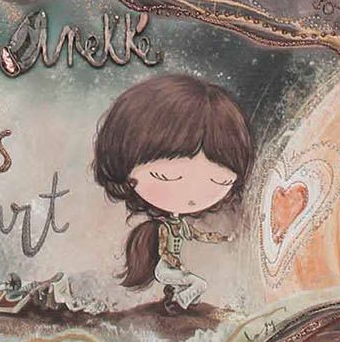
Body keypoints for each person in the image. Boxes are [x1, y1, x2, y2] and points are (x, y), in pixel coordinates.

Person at [91, 74, 254, 313]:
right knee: (196, 284)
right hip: (166, 268)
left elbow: (199, 235)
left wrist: (224, 239)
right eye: (165, 177)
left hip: (172, 269)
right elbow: (166, 247)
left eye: (219, 181)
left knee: (194, 284)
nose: (191, 194)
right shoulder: (164, 228)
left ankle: (177, 304)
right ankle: (180, 303)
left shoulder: (179, 225)